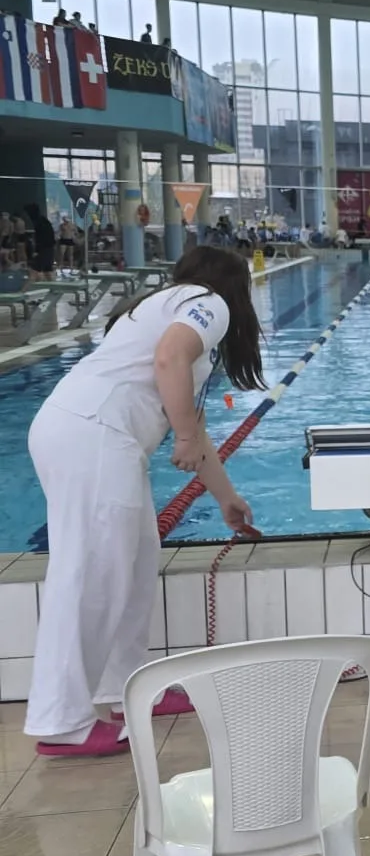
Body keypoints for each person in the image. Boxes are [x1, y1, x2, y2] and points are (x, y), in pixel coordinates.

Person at [24, 246, 263, 757]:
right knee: (91, 574)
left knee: (132, 565)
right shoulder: (208, 302)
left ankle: (125, 690)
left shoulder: (167, 306)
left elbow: (192, 420)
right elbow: (168, 360)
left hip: (90, 433)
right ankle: (62, 721)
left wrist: (226, 497)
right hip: (93, 434)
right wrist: (182, 437)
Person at [26, 203, 55, 277]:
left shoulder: (38, 223)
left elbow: (40, 238)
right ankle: (53, 285)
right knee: (48, 271)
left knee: (33, 272)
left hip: (43, 250)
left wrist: (36, 251)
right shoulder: (44, 220)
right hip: (50, 249)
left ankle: (26, 286)